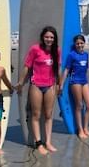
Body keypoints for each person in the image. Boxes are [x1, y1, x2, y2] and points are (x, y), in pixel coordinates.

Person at [16, 26, 61, 155]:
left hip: (50, 85)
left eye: (51, 37)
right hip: (36, 85)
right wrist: (20, 82)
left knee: (48, 115)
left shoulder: (56, 50)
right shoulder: (35, 49)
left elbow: (58, 68)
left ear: (54, 39)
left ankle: (48, 142)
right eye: (47, 37)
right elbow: (27, 67)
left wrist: (59, 84)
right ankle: (38, 143)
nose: (49, 39)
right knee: (36, 115)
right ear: (43, 37)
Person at [61, 35, 89, 138]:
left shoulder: (86, 55)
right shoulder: (72, 55)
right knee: (79, 106)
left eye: (81, 43)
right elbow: (66, 70)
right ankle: (80, 131)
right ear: (75, 45)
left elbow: (86, 69)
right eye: (77, 43)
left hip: (84, 81)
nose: (80, 45)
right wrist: (61, 84)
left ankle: (86, 128)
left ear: (84, 43)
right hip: (75, 81)